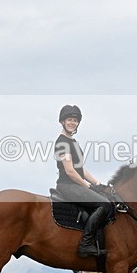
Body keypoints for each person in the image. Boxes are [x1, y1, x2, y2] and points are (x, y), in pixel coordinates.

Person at [54, 104, 114, 258]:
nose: (72, 122)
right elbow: (70, 171)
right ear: (62, 121)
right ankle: (85, 244)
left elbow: (81, 169)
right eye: (69, 119)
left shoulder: (73, 142)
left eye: (75, 120)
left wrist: (97, 184)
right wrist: (87, 186)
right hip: (67, 185)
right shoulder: (62, 143)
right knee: (104, 205)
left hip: (76, 183)